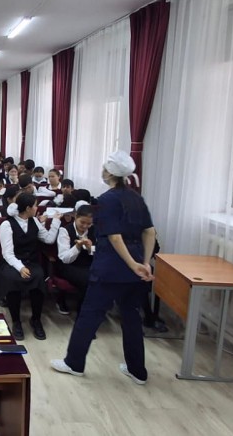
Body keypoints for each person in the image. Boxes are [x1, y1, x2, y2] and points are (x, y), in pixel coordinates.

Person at [51, 151, 156, 385]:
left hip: (111, 267)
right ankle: (137, 370)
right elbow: (150, 232)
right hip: (136, 266)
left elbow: (115, 237)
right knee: (131, 317)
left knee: (89, 314)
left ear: (109, 172)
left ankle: (74, 363)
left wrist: (132, 264)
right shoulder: (136, 197)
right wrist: (144, 263)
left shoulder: (106, 200)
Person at [0, 193, 60, 340]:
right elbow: (7, 253)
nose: (37, 208)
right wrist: (20, 268)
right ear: (28, 208)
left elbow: (48, 239)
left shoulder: (35, 221)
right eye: (35, 206)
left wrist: (56, 221)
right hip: (12, 263)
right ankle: (16, 321)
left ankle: (36, 319)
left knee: (38, 278)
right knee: (13, 281)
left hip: (31, 262)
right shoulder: (6, 224)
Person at [54, 202, 95, 316]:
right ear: (76, 217)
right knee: (87, 279)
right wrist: (77, 247)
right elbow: (64, 258)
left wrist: (90, 248)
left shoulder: (94, 230)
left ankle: (94, 309)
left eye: (89, 224)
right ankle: (82, 312)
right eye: (82, 222)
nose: (85, 226)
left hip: (87, 263)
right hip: (68, 265)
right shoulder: (65, 230)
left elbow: (100, 251)